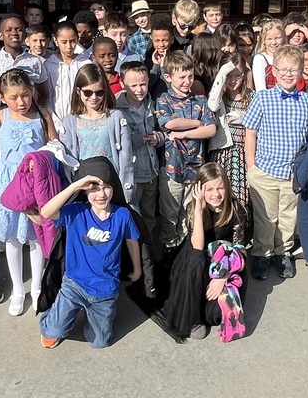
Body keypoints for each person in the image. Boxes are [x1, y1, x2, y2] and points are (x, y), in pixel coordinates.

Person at [0, 69, 57, 316]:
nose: (21, 102)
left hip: (34, 184)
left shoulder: (42, 114)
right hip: (8, 183)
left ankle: (37, 286)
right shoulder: (1, 113)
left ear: (32, 91)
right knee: (12, 238)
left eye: (25, 95)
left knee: (36, 237)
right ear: (3, 97)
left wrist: (43, 158)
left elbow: (54, 145)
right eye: (13, 97)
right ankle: (18, 289)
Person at [244, 45, 308, 280]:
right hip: (265, 170)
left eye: (294, 70)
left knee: (288, 216)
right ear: (274, 71)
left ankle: (283, 252)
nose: (288, 74)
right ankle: (263, 254)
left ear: (301, 72)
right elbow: (250, 133)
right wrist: (251, 165)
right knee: (266, 218)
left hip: (294, 174)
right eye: (283, 70)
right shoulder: (263, 98)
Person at [38, 173, 141, 349]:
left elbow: (132, 241)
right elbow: (46, 212)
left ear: (114, 188)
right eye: (94, 189)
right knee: (52, 332)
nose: (101, 194)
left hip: (105, 290)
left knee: (99, 342)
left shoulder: (122, 215)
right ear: (85, 191)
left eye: (106, 187)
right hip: (74, 284)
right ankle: (57, 314)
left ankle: (89, 314)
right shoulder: (77, 212)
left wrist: (137, 269)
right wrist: (75, 186)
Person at [161, 163, 247, 342]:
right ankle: (193, 319)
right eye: (209, 189)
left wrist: (223, 277)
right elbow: (197, 246)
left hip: (226, 262)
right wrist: (199, 210)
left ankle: (206, 310)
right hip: (197, 259)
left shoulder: (236, 209)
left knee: (217, 312)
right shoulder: (194, 208)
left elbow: (240, 250)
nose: (216, 194)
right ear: (200, 190)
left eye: (220, 188)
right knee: (196, 259)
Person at [156, 51, 217, 252]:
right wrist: (197, 123)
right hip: (172, 167)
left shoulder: (200, 100)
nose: (187, 81)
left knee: (189, 211)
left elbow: (211, 129)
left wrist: (184, 133)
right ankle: (169, 247)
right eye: (182, 77)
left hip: (195, 167)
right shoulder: (164, 100)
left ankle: (185, 248)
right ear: (168, 77)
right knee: (170, 212)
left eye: (190, 76)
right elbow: (169, 123)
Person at [62, 64, 135, 200]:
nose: (94, 97)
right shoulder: (70, 121)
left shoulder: (115, 117)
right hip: (84, 186)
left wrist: (126, 190)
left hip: (111, 184)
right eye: (88, 92)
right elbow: (68, 160)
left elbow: (126, 157)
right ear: (78, 91)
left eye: (99, 92)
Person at [207, 54, 255, 247]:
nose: (233, 80)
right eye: (229, 75)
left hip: (244, 154)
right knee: (222, 197)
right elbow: (212, 104)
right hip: (223, 153)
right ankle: (220, 241)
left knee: (241, 200)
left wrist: (242, 116)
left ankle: (239, 243)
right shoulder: (220, 97)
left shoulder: (252, 96)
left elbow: (260, 121)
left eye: (238, 75)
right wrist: (223, 71)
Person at [117, 62, 165, 239]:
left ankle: (148, 248)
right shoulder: (116, 108)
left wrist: (159, 138)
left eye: (143, 84)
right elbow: (115, 141)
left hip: (151, 171)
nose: (139, 89)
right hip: (131, 175)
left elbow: (163, 130)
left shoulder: (152, 104)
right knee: (131, 216)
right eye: (133, 85)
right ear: (122, 84)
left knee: (149, 216)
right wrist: (134, 140)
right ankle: (134, 249)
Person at [44, 21, 93, 132]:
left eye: (72, 41)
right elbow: (47, 97)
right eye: (64, 42)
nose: (69, 46)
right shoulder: (49, 65)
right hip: (58, 123)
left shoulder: (85, 63)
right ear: (56, 41)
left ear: (77, 39)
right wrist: (56, 124)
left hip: (84, 122)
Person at [251, 18, 284, 92]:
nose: (274, 42)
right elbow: (260, 88)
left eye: (277, 38)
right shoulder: (260, 59)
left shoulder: (287, 57)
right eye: (269, 39)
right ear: (263, 40)